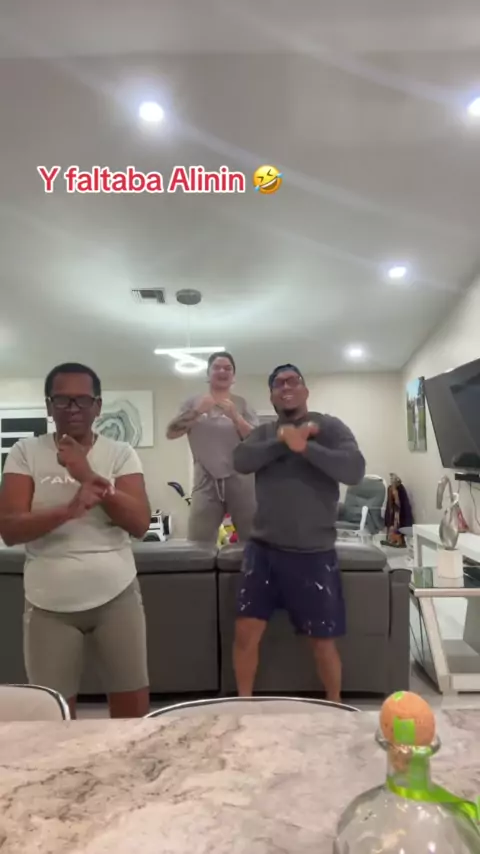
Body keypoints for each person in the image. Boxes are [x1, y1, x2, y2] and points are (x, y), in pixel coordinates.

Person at [0, 363, 151, 718]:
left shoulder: (120, 453)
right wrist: (69, 510)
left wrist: (87, 474)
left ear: (97, 406)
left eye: (82, 400)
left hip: (117, 597)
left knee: (132, 716)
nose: (73, 409)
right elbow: (10, 529)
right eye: (62, 400)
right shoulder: (24, 452)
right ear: (48, 406)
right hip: (48, 604)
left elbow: (140, 523)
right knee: (52, 717)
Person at [232, 364, 366, 703]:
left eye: (293, 381)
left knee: (322, 641)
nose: (286, 386)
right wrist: (283, 441)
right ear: (272, 396)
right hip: (263, 552)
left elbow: (354, 470)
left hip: (314, 554)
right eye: (278, 383)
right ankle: (243, 705)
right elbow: (241, 460)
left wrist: (306, 447)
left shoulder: (329, 427)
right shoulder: (264, 433)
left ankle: (335, 703)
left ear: (305, 390)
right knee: (246, 633)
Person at [167, 352, 258, 543]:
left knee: (253, 542)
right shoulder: (192, 403)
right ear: (208, 373)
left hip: (241, 481)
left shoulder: (242, 403)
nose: (222, 371)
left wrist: (236, 417)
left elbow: (256, 441)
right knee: (197, 545)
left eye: (228, 368)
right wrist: (197, 411)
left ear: (233, 376)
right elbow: (171, 433)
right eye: (217, 367)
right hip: (205, 482)